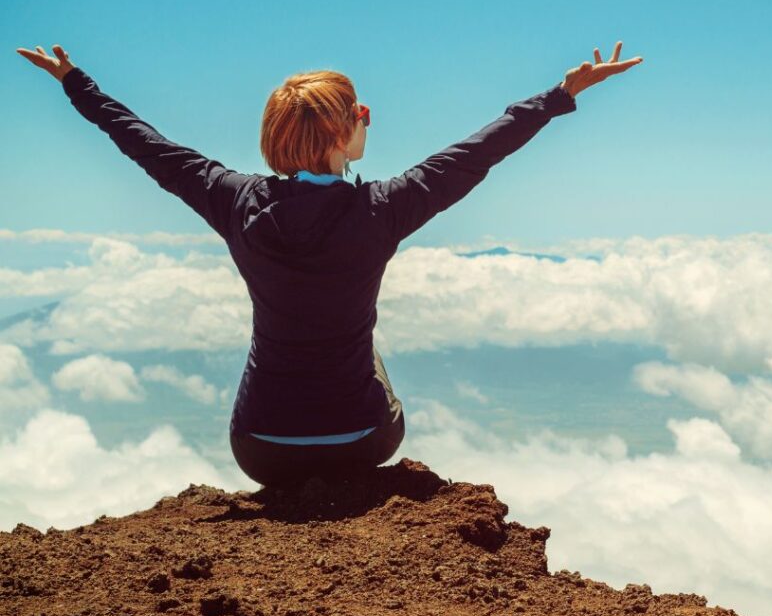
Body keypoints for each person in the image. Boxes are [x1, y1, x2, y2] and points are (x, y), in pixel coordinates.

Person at [15, 41, 644, 488]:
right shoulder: (387, 208)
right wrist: (561, 94)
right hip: (363, 442)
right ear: (342, 134)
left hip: (260, 450)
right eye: (360, 114)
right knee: (362, 344)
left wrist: (76, 82)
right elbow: (479, 152)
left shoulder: (231, 199)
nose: (367, 120)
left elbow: (142, 141)